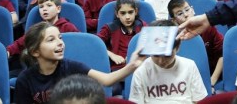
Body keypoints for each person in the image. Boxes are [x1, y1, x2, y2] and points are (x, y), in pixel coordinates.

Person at [14, 21, 144, 104]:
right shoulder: (25, 80)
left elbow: (107, 80)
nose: (60, 43)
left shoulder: (71, 66)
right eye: (51, 40)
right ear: (35, 51)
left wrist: (132, 65)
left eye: (60, 38)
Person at [129, 19, 208, 103]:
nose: (161, 61)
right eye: (156, 55)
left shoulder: (189, 66)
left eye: (167, 56)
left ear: (177, 48)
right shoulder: (141, 71)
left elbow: (199, 100)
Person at [168, 0, 223, 93]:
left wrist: (211, 81)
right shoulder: (173, 37)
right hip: (182, 81)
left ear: (192, 9)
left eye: (187, 10)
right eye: (180, 13)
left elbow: (222, 54)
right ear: (174, 20)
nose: (185, 15)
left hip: (210, 74)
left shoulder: (208, 28)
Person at [97, 0, 146, 95]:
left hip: (139, 69)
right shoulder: (109, 28)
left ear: (136, 11)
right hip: (118, 72)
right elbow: (96, 44)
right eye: (123, 13)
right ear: (117, 14)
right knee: (113, 91)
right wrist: (112, 55)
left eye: (130, 12)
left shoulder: (143, 27)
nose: (127, 17)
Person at [7, 0, 79, 58]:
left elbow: (78, 44)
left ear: (58, 9)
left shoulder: (67, 27)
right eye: (41, 7)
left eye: (49, 5)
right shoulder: (38, 28)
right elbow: (21, 42)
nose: (44, 9)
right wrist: (8, 51)